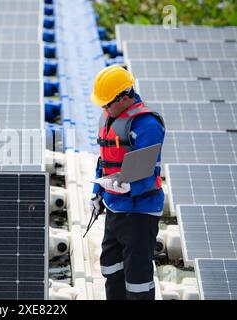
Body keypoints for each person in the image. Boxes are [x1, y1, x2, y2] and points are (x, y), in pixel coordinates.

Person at [89, 65, 165, 300]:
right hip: (115, 207)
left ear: (124, 97)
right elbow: (105, 160)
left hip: (140, 212)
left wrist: (131, 187)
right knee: (111, 267)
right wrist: (96, 193)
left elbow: (148, 170)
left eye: (108, 103)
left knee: (137, 279)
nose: (104, 108)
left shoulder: (147, 126)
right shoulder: (111, 117)